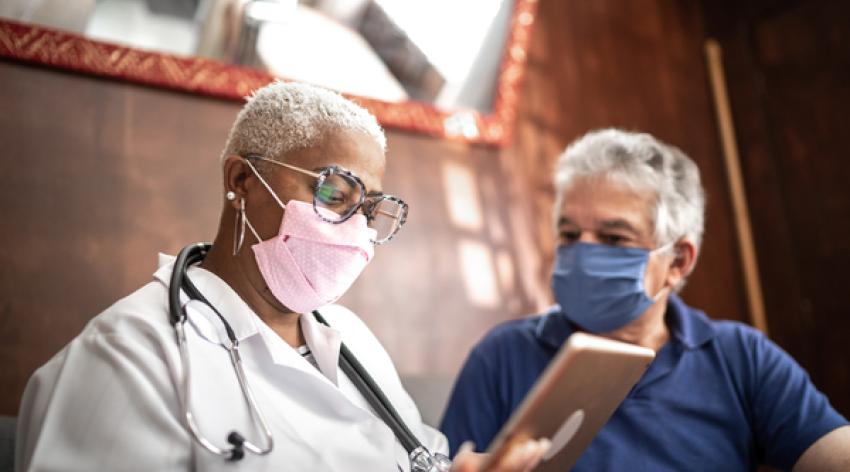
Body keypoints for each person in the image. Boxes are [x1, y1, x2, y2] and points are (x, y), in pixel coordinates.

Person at [15, 82, 549, 471]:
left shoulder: (353, 340)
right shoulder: (129, 356)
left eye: (370, 209)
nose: (356, 229)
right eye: (334, 194)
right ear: (242, 181)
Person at [439, 129, 850, 471]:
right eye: (568, 234)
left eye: (614, 238)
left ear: (678, 261)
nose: (581, 253)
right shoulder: (502, 356)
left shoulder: (741, 356)